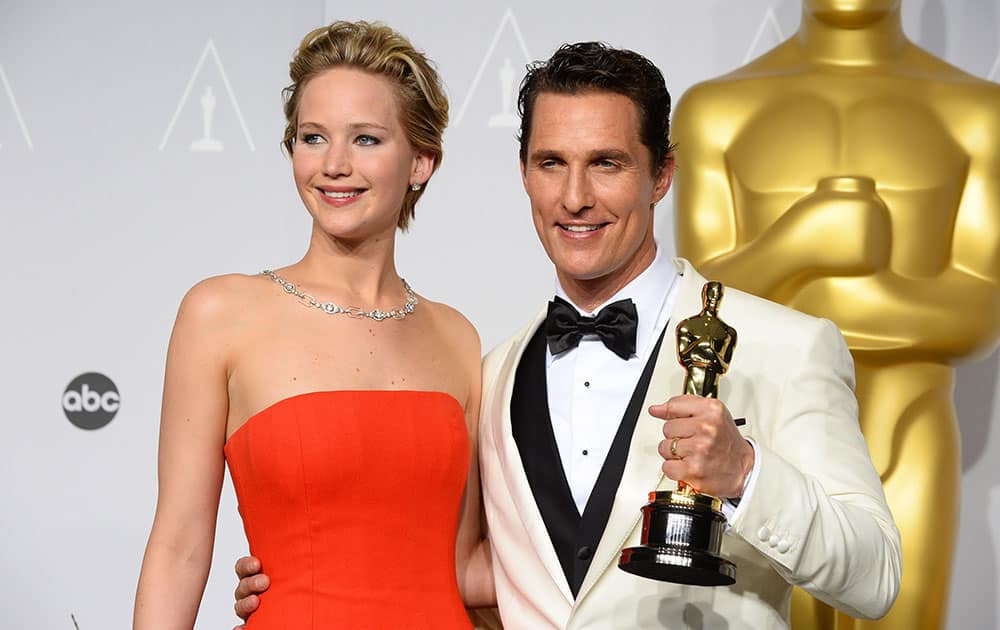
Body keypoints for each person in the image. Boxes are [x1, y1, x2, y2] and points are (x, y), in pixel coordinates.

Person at [236, 42, 901, 629]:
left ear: (661, 174)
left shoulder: (782, 344)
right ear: (523, 172)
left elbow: (875, 577)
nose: (574, 197)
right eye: (551, 162)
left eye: (606, 163)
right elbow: (465, 576)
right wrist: (299, 575)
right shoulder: (489, 372)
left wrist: (745, 475)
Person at [133, 20, 492, 629]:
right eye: (312, 137)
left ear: (421, 162)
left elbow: (465, 567)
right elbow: (180, 545)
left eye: (367, 139)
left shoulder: (459, 338)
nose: (334, 164)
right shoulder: (220, 314)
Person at [671, 1, 1000, 626]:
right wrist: (804, 240)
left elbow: (979, 310)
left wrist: (808, 278)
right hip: (759, 437)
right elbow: (700, 303)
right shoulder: (717, 112)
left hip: (909, 431)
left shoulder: (977, 112)